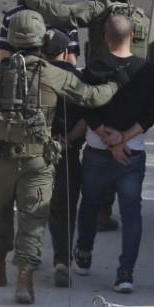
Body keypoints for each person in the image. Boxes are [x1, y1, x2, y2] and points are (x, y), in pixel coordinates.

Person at [0, 9, 119, 304]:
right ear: (40, 40)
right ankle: (24, 279)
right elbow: (91, 96)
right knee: (33, 219)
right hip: (37, 161)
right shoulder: (53, 74)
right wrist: (115, 84)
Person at [75, 11, 154, 292]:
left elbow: (86, 109)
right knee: (131, 213)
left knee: (89, 204)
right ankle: (125, 273)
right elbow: (153, 114)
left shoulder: (93, 70)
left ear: (104, 37)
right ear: (134, 37)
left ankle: (84, 255)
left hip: (96, 150)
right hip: (132, 153)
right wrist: (124, 138)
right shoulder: (148, 72)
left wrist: (108, 138)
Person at [41, 30, 89, 287]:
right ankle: (62, 260)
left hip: (35, 153)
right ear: (65, 52)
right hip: (67, 152)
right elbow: (85, 118)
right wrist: (67, 141)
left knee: (34, 205)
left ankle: (28, 258)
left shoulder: (33, 75)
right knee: (65, 207)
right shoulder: (77, 77)